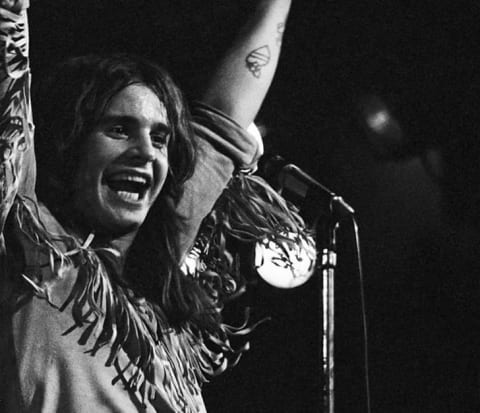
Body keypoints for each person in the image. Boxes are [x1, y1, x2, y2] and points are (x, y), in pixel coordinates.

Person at [0, 0, 300, 412]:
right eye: (119, 130)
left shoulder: (153, 268)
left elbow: (226, 116)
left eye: (160, 138)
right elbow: (8, 92)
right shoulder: (34, 253)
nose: (145, 151)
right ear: (68, 147)